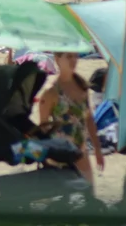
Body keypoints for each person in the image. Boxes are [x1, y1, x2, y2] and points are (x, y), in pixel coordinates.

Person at [37, 52, 104, 188]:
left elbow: (89, 118)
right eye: (68, 57)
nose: (73, 60)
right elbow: (43, 126)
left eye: (75, 56)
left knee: (89, 194)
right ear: (57, 59)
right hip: (60, 154)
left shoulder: (82, 86)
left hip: (80, 150)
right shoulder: (51, 92)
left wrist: (97, 148)